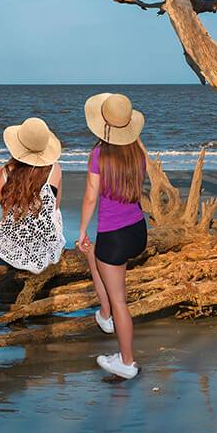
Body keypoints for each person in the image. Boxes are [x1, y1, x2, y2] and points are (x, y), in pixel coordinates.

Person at [78, 91, 148, 381]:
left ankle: (127, 362)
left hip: (114, 235)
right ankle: (105, 316)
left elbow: (91, 197)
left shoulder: (98, 154)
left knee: (120, 300)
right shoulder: (137, 153)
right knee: (96, 255)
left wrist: (81, 230)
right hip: (137, 230)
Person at [0, 116, 65, 274]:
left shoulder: (2, 173)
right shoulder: (55, 170)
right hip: (45, 241)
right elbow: (55, 207)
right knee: (54, 212)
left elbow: (4, 209)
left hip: (14, 240)